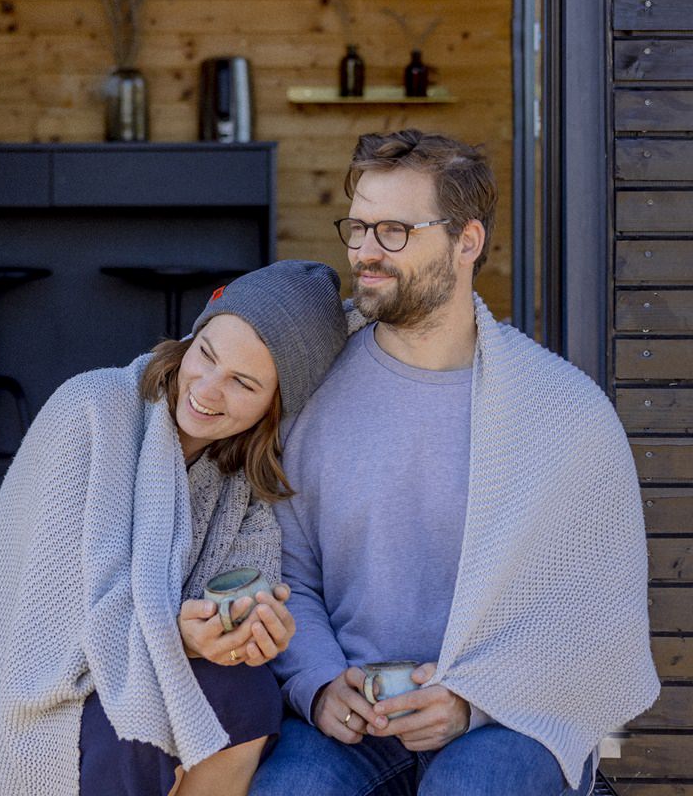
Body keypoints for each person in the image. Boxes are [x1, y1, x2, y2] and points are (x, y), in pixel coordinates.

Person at [249, 130, 660, 796]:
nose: (363, 253)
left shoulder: (561, 412)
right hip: (350, 715)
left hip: (504, 718)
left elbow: (591, 619)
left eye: (392, 231)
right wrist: (319, 683)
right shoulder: (311, 386)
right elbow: (283, 565)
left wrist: (473, 701)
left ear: (466, 242)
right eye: (356, 228)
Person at [0, 260, 347, 796]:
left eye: (243, 383)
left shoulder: (240, 481)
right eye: (207, 354)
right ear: (192, 336)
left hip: (139, 681)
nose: (208, 389)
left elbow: (244, 586)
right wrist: (179, 639)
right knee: (138, 731)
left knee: (247, 690)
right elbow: (52, 621)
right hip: (45, 695)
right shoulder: (92, 411)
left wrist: (251, 632)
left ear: (275, 405)